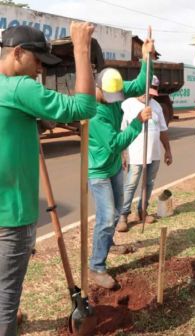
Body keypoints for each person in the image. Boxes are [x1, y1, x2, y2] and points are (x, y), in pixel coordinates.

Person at [0, 22, 96, 336]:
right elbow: (85, 107)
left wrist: (36, 124)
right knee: (6, 297)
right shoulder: (18, 87)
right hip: (10, 215)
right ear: (17, 54)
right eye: (37, 60)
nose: (40, 68)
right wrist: (81, 48)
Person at [88, 38, 155, 289]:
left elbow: (140, 84)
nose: (114, 99)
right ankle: (96, 266)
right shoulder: (95, 112)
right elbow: (115, 143)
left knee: (116, 213)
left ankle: (106, 245)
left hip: (114, 165)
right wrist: (138, 121)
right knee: (106, 218)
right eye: (109, 96)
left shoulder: (112, 86)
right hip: (99, 171)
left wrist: (147, 58)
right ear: (97, 87)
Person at [117, 75, 173, 232]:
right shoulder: (127, 105)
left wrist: (168, 150)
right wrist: (123, 153)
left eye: (153, 92)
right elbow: (122, 131)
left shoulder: (156, 106)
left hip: (153, 154)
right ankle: (123, 215)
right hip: (135, 155)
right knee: (131, 185)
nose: (148, 96)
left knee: (149, 184)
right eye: (147, 92)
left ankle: (142, 211)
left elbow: (163, 130)